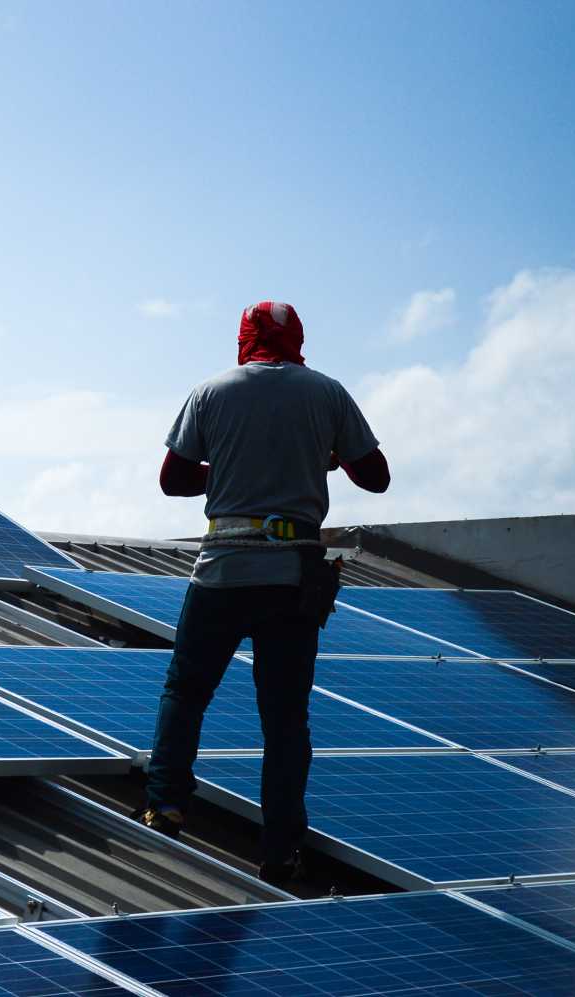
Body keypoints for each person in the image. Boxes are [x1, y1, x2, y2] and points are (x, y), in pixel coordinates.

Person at [136, 300, 391, 888]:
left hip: (222, 571)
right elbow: (375, 477)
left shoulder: (212, 392)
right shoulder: (327, 393)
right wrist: (317, 460)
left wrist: (227, 467)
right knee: (283, 719)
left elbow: (173, 480)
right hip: (291, 578)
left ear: (243, 339)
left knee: (186, 690)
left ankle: (166, 802)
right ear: (298, 338)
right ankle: (278, 850)